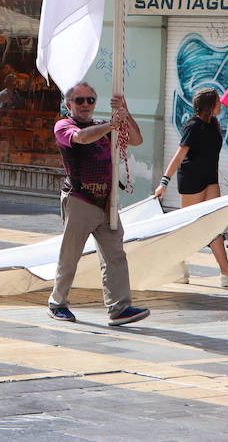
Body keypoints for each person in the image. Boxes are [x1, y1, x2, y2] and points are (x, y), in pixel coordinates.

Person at [47, 82, 149, 326]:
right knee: (70, 255)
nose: (85, 105)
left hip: (107, 201)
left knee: (115, 254)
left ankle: (119, 307)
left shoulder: (102, 126)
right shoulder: (64, 126)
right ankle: (57, 302)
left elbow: (136, 140)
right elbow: (81, 138)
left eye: (90, 100)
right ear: (68, 104)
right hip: (80, 199)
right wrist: (112, 125)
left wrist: (125, 112)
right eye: (80, 101)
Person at [155, 88, 228, 287]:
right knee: (188, 226)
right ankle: (175, 267)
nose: (221, 105)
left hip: (209, 179)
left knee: (214, 225)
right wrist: (164, 181)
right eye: (217, 101)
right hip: (192, 179)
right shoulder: (194, 126)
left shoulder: (213, 125)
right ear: (209, 104)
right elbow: (180, 155)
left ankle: (226, 273)